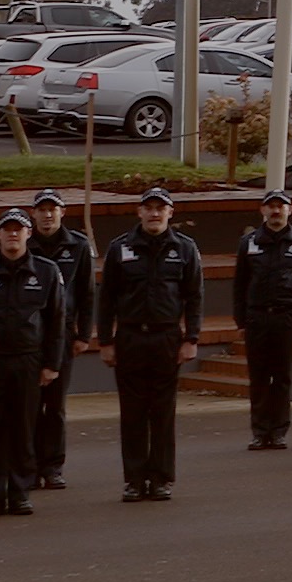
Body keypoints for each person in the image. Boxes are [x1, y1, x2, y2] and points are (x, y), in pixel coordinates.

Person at [94, 188, 204, 502]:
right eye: (149, 208)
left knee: (162, 412)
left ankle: (160, 478)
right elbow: (107, 299)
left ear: (171, 213)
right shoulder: (120, 248)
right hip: (129, 338)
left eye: (161, 208)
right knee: (132, 413)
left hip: (166, 338)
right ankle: (134, 479)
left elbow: (194, 296)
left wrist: (191, 338)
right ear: (139, 212)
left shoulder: (184, 249)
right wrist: (105, 341)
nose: (154, 214)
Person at [0, 212, 67, 518]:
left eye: (19, 229)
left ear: (28, 234)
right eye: (7, 230)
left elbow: (56, 323)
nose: (13, 235)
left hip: (28, 359)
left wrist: (51, 364)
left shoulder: (47, 272)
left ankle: (21, 492)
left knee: (24, 428)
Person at [231, 189, 292, 450]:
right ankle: (260, 431)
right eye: (271, 206)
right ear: (263, 210)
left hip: (286, 317)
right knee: (258, 376)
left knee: (281, 377)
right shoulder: (249, 242)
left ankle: (279, 430)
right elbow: (240, 284)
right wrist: (241, 321)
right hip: (257, 317)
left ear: (289, 210)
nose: (276, 211)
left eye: (281, 206)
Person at [20, 192, 89, 486]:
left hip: (63, 334)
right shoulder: (24, 244)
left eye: (53, 210)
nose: (47, 216)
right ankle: (30, 466)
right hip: (29, 335)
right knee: (30, 404)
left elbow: (87, 293)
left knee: (56, 405)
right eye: (42, 210)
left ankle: (53, 466)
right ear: (33, 214)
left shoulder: (78, 246)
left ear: (63, 212)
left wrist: (84, 334)